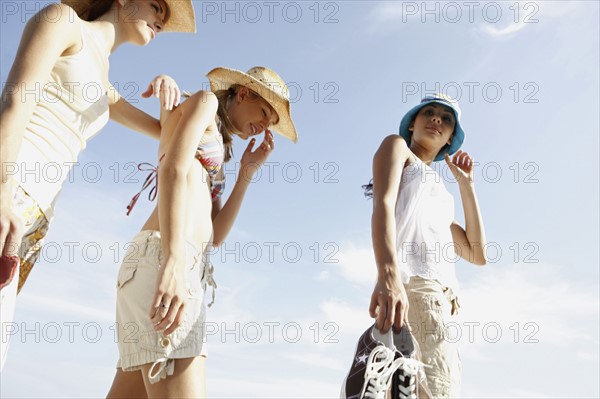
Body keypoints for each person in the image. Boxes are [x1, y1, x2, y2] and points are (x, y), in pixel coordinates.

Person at [0, 0, 197, 369]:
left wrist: (169, 88)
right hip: (12, 189)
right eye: (156, 6)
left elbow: (165, 134)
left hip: (37, 219)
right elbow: (13, 102)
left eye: (165, 19)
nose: (161, 19)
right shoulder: (63, 21)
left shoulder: (103, 81)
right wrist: (1, 192)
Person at [106, 66, 298, 398]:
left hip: (178, 263)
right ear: (242, 93)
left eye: (271, 123)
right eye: (265, 112)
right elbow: (172, 167)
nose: (265, 125)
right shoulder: (206, 102)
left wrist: (246, 174)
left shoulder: (220, 152)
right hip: (166, 258)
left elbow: (217, 233)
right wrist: (174, 262)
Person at [367, 93, 487, 397]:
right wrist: (389, 276)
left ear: (450, 138)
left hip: (445, 305)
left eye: (446, 119)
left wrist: (466, 184)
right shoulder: (397, 148)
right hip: (418, 290)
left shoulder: (439, 193)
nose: (437, 119)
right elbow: (382, 205)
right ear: (412, 124)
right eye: (429, 113)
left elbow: (476, 252)